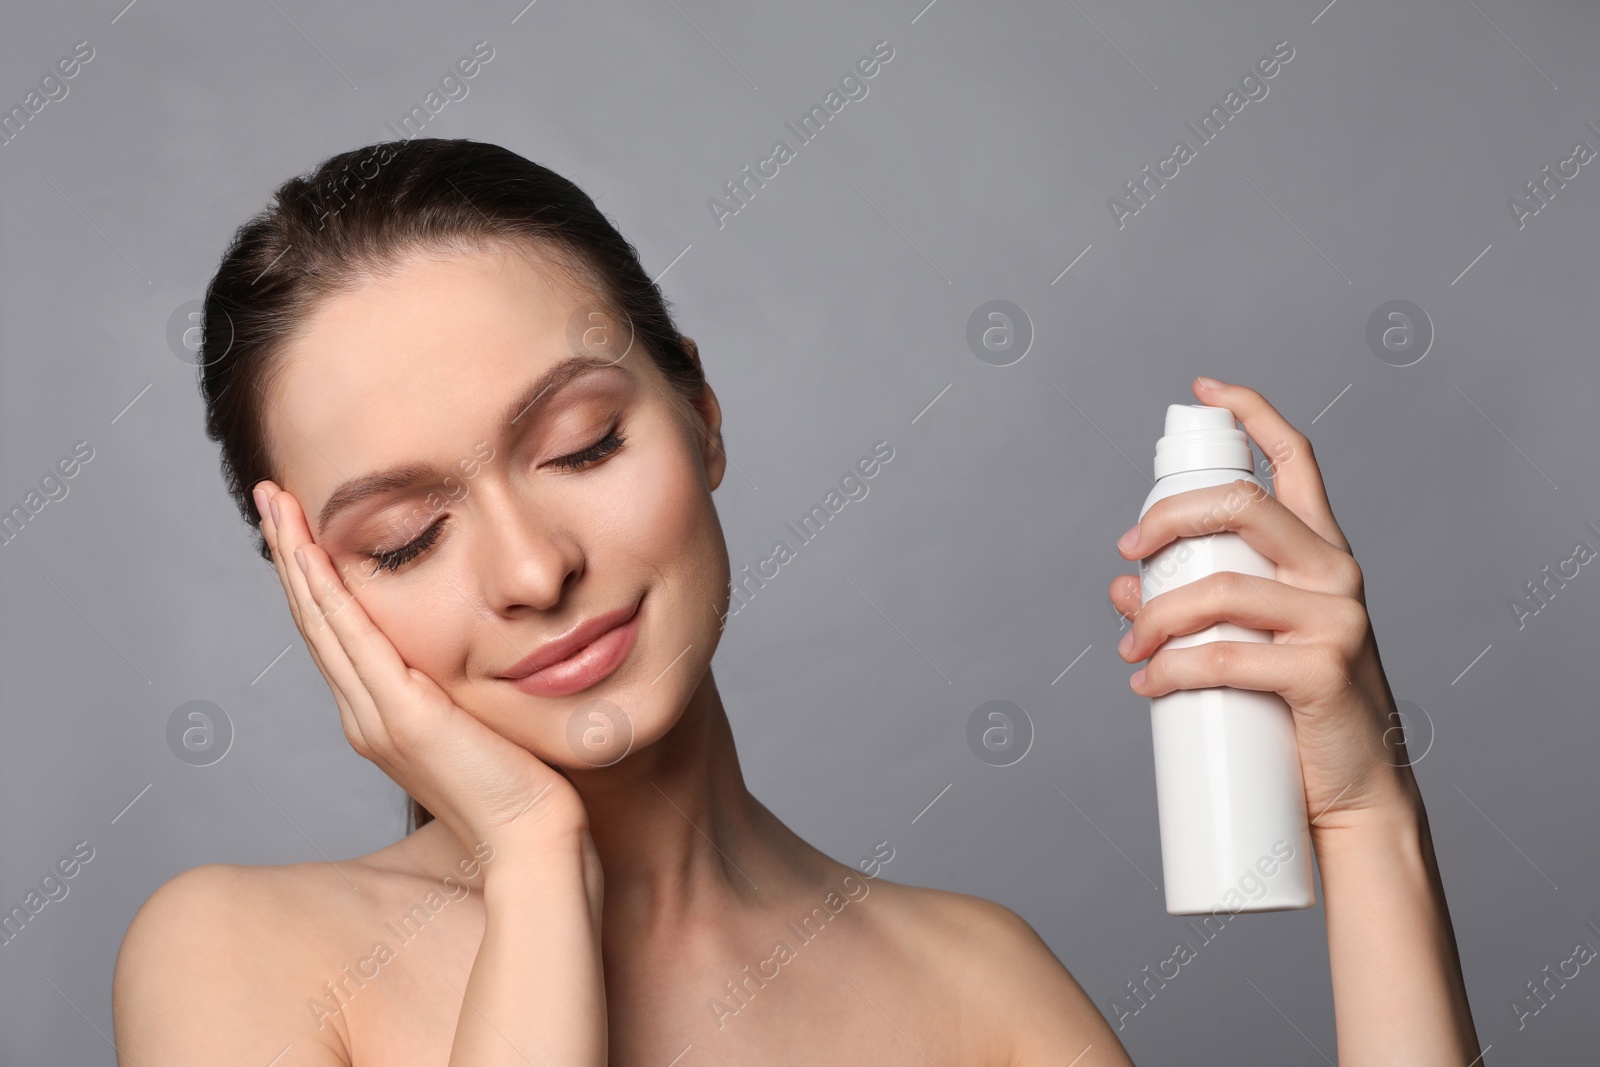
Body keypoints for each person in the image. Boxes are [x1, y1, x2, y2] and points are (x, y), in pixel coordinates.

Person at [111, 137, 1483, 1065]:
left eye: (584, 446)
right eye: (405, 539)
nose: (534, 572)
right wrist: (534, 862)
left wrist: (1367, 822)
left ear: (701, 417)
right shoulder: (243, 960)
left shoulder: (973, 987)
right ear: (314, 594)